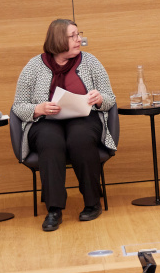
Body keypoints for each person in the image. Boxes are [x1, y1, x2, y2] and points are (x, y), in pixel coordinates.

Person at [13, 19, 116, 231]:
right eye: (73, 36)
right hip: (45, 121)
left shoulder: (90, 62)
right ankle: (54, 209)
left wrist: (99, 99)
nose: (79, 40)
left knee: (80, 139)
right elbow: (18, 106)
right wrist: (38, 109)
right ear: (58, 39)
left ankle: (92, 203)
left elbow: (110, 98)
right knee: (50, 141)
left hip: (84, 118)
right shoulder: (34, 66)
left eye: (79, 35)